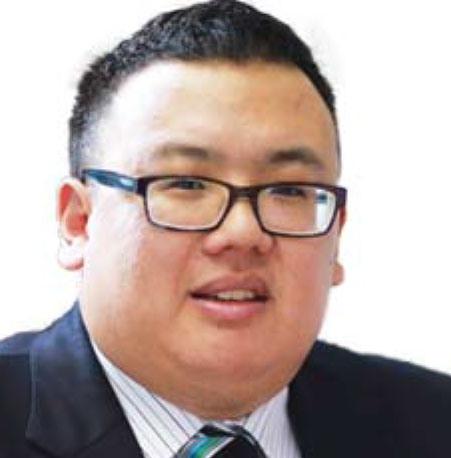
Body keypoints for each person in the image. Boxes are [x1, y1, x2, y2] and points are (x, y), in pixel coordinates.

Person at [0, 1, 450, 457]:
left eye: (289, 189)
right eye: (187, 183)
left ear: (336, 235)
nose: (243, 232)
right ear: (78, 222)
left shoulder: (433, 421)